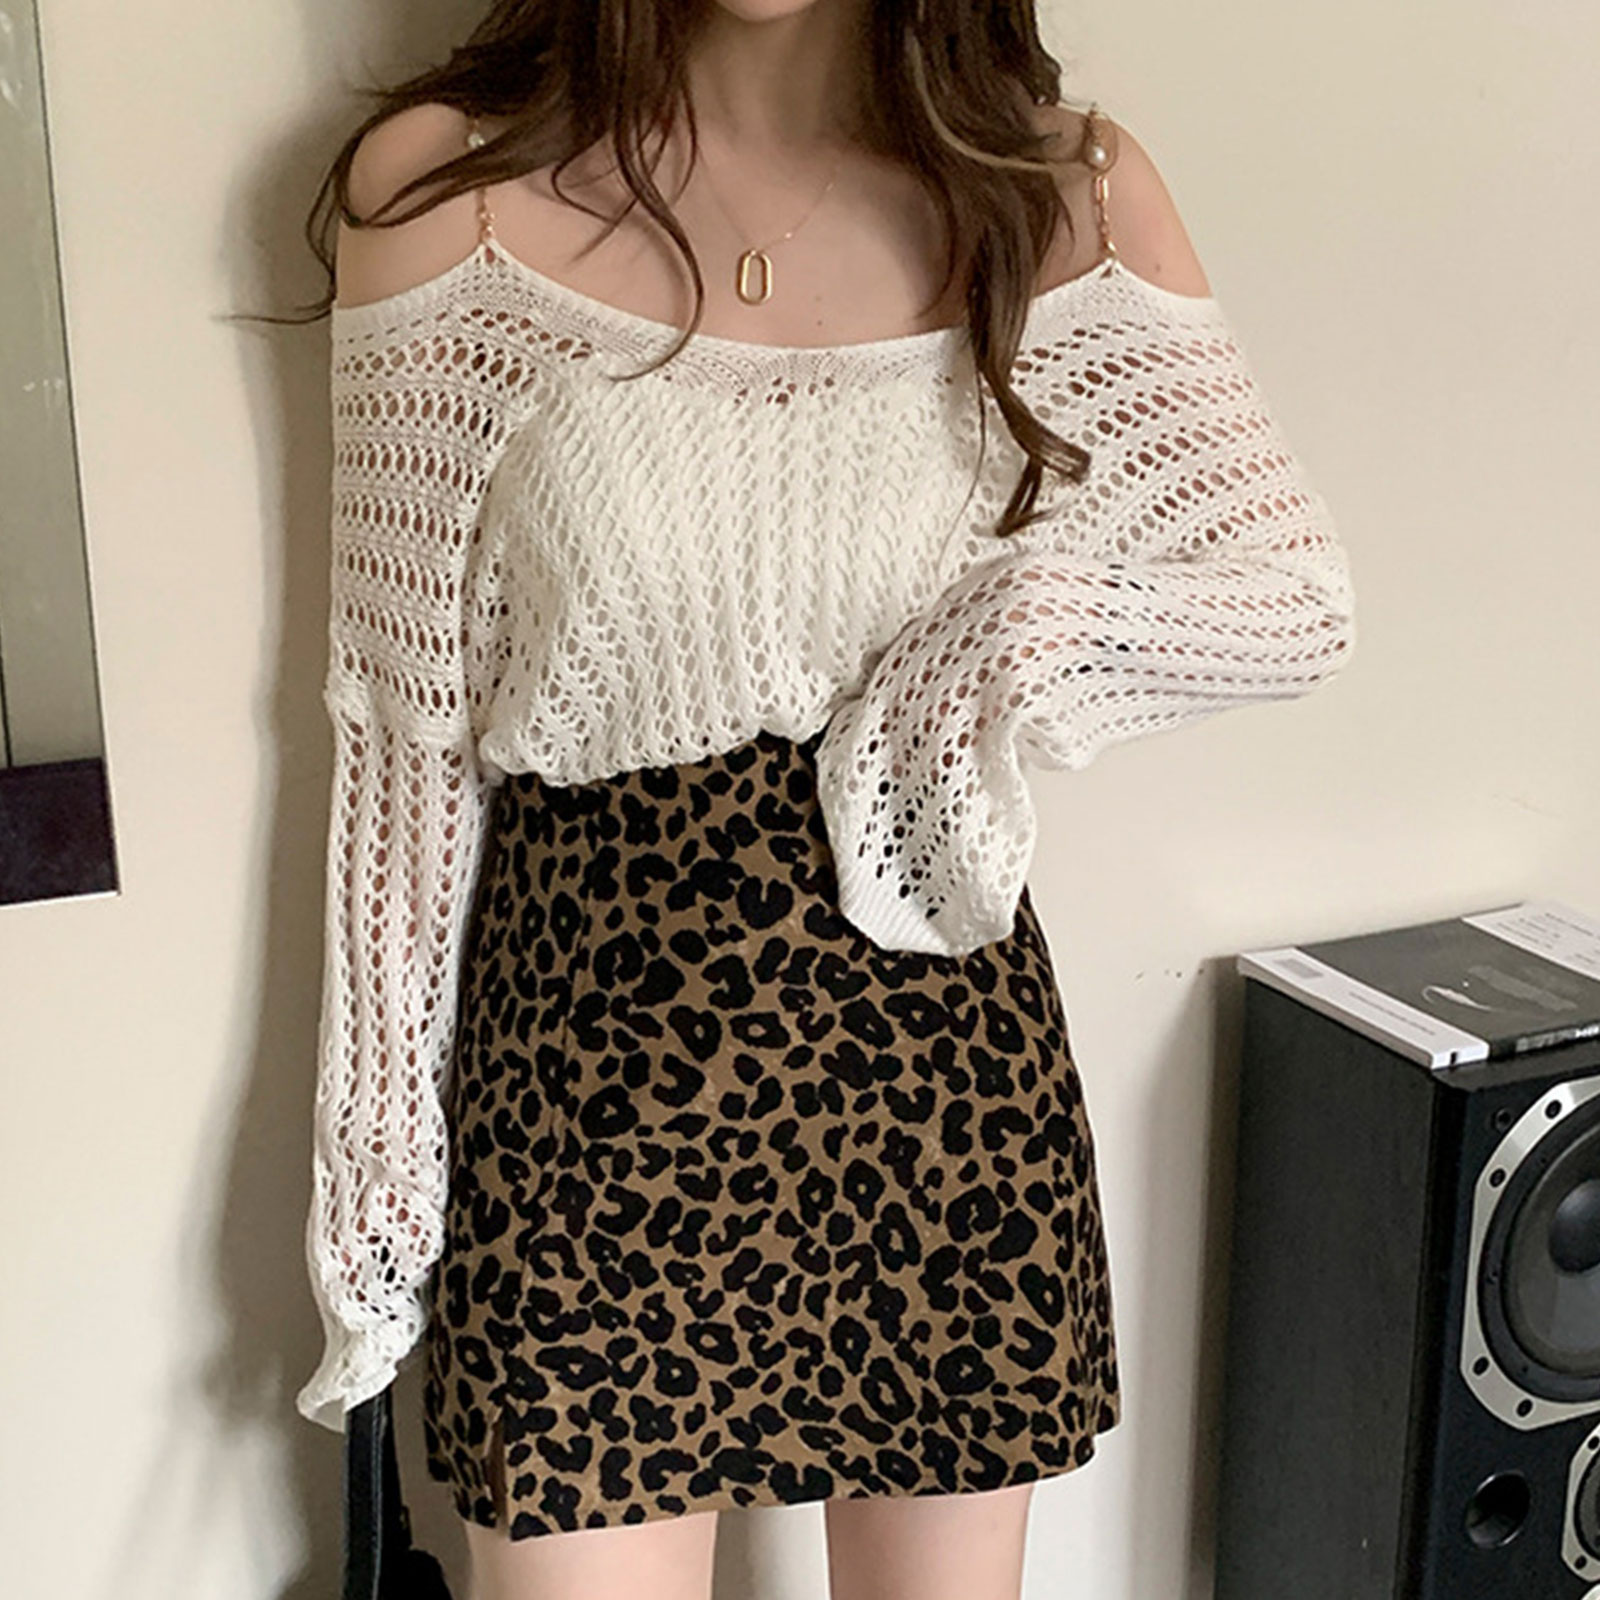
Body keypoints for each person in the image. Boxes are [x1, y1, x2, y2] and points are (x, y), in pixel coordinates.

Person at [293, 3, 1357, 1598]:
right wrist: (378, 1202)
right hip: (588, 1088)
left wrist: (1009, 644)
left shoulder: (1055, 195)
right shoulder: (454, 201)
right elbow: (402, 741)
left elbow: (1291, 598)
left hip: (944, 1084)